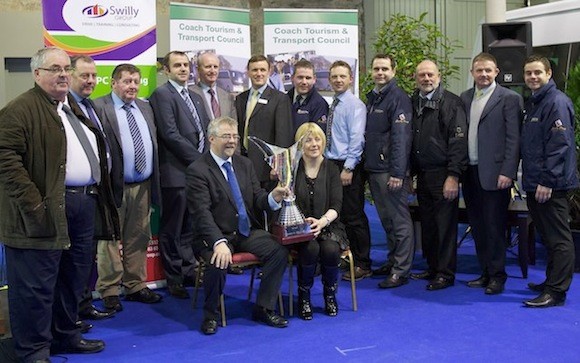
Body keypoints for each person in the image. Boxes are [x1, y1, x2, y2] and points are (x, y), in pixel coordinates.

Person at [0, 46, 118, 362]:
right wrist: (34, 205)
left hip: (81, 207)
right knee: (35, 289)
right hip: (40, 214)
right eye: (55, 69)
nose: (63, 74)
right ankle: (33, 350)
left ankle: (65, 335)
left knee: (72, 279)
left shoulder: (69, 108)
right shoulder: (20, 109)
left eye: (66, 68)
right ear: (37, 74)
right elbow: (4, 157)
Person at [185, 116, 289, 335]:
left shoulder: (245, 164)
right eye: (226, 136)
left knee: (278, 252)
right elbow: (201, 213)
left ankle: (264, 308)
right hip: (213, 234)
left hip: (244, 231)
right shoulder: (198, 170)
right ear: (211, 138)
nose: (232, 141)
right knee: (218, 261)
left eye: (234, 136)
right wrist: (218, 242)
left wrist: (273, 197)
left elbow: (258, 198)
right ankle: (211, 314)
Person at [93, 63, 162, 312]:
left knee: (138, 236)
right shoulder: (99, 107)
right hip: (113, 187)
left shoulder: (145, 107)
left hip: (143, 185)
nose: (132, 86)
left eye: (135, 81)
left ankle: (135, 285)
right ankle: (110, 289)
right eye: (126, 81)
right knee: (110, 238)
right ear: (113, 83)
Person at [149, 51, 211, 299]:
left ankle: (188, 271)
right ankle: (173, 277)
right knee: (173, 228)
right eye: (177, 65)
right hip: (175, 174)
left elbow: (207, 130)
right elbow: (170, 134)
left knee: (190, 227)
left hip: (195, 175)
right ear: (167, 70)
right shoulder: (162, 95)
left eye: (186, 65)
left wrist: (207, 159)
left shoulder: (195, 97)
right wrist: (201, 161)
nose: (183, 69)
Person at [459, 53, 523, 295]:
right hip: (471, 172)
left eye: (488, 70)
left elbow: (513, 139)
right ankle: (484, 271)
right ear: (472, 72)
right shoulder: (465, 98)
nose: (483, 74)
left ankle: (497, 276)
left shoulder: (509, 98)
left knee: (494, 227)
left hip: (497, 175)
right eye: (479, 70)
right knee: (477, 226)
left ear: (496, 72)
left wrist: (508, 171)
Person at [521, 55, 578, 308]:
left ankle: (556, 292)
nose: (533, 77)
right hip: (535, 182)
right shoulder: (535, 103)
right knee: (548, 237)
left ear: (548, 73)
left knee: (559, 239)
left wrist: (547, 181)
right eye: (528, 73)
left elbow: (560, 145)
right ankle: (551, 281)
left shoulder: (556, 102)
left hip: (550, 185)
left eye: (537, 73)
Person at [410, 60, 468, 290]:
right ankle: (433, 267)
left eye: (430, 74)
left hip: (444, 174)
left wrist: (453, 175)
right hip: (423, 175)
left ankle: (445, 273)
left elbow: (458, 141)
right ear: (416, 78)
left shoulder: (452, 103)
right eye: (422, 75)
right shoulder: (414, 101)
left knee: (445, 226)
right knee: (429, 225)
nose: (426, 79)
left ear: (439, 76)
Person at [69, 54, 117, 323]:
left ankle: (84, 305)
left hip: (97, 191)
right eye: (84, 75)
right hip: (75, 196)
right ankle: (72, 312)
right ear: (70, 75)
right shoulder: (64, 108)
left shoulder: (91, 106)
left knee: (86, 255)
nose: (90, 81)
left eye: (93, 76)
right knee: (75, 258)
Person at [364, 54, 414, 288]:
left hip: (390, 171)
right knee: (387, 221)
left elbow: (401, 139)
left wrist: (398, 172)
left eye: (385, 69)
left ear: (394, 71)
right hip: (375, 169)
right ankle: (393, 261)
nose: (380, 73)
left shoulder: (398, 98)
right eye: (376, 69)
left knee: (399, 221)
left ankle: (401, 270)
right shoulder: (374, 97)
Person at [293, 122, 347, 319]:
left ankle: (329, 295)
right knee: (311, 248)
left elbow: (337, 205)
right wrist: (304, 224)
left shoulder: (332, 169)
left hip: (328, 224)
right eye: (308, 140)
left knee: (331, 249)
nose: (314, 144)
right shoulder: (292, 168)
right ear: (300, 145)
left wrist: (322, 222)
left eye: (317, 139)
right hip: (299, 228)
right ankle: (304, 297)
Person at [324, 60, 372, 281]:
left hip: (348, 166)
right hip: (333, 164)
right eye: (334, 76)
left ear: (350, 78)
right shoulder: (334, 103)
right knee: (339, 214)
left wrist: (349, 167)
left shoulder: (355, 105)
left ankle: (363, 263)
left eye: (342, 76)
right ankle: (348, 254)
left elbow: (357, 139)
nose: (338, 80)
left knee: (354, 216)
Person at [235, 55, 294, 190]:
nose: (259, 73)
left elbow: (283, 135)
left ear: (269, 71)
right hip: (243, 164)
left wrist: (278, 165)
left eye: (262, 70)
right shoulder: (240, 99)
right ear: (248, 72)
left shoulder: (280, 99)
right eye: (255, 70)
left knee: (269, 207)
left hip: (267, 168)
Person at [190, 52, 236, 121]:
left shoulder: (228, 97)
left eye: (215, 67)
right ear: (198, 69)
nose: (212, 71)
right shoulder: (190, 94)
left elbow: (233, 124)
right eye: (208, 67)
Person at [287, 59, 329, 132]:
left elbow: (317, 136)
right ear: (292, 78)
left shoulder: (320, 104)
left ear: (314, 79)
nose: (304, 82)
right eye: (300, 77)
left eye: (308, 78)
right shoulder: (283, 100)